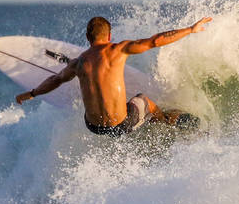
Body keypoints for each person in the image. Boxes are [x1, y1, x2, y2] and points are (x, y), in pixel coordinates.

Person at [16, 15, 211, 135]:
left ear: (87, 38)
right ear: (109, 36)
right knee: (144, 100)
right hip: (122, 124)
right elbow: (155, 41)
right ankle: (166, 121)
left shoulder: (77, 63)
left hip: (93, 127)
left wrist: (32, 93)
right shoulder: (119, 50)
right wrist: (191, 29)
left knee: (82, 82)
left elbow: (55, 79)